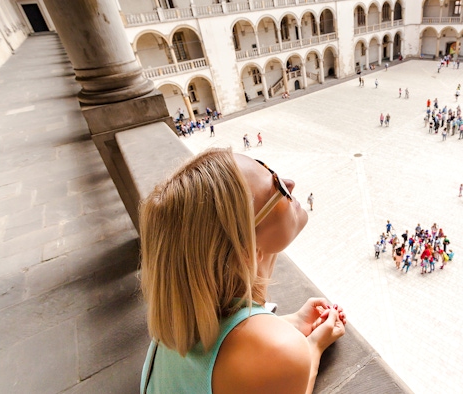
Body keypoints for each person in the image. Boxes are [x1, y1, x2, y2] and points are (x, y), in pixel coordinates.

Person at [139, 149, 346, 394]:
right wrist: (313, 347)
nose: (290, 183)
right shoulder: (281, 351)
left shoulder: (183, 309)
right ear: (248, 249)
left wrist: (294, 322)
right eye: (276, 187)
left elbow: (223, 341)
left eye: (270, 169)